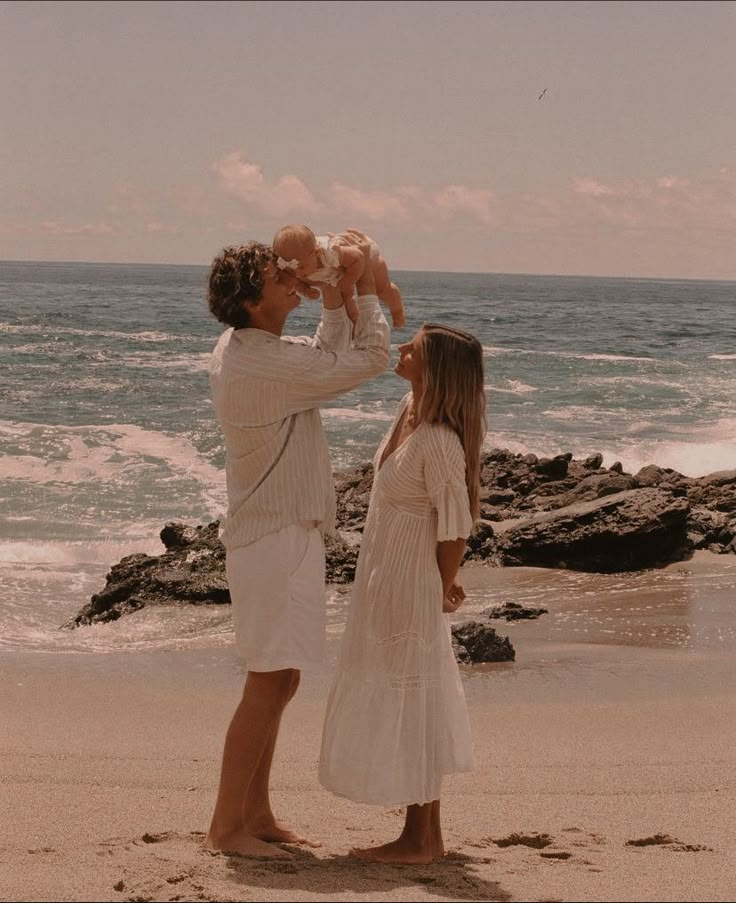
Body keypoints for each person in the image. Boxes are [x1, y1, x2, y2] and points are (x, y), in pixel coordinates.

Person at [204, 236, 391, 858]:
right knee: (267, 682)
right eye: (276, 276)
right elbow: (360, 363)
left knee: (281, 681)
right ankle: (226, 828)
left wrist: (334, 299)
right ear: (253, 302)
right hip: (274, 538)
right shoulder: (259, 361)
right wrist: (361, 291)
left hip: (280, 533)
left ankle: (254, 815)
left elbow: (320, 358)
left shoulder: (253, 347)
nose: (290, 278)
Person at [319, 322, 486, 864]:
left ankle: (419, 838)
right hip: (384, 574)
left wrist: (441, 585)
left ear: (433, 367)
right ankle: (426, 836)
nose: (403, 348)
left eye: (413, 346)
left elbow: (456, 525)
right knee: (411, 694)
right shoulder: (407, 414)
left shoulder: (438, 439)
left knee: (413, 698)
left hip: (409, 582)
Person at [272, 224, 406, 328]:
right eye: (291, 270)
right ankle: (354, 332)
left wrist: (347, 282)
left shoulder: (330, 252)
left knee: (382, 290)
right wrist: (305, 290)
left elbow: (358, 257)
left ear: (317, 253)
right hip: (337, 273)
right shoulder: (293, 267)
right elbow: (295, 281)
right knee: (347, 305)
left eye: (301, 267)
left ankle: (397, 314)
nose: (298, 273)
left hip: (365, 258)